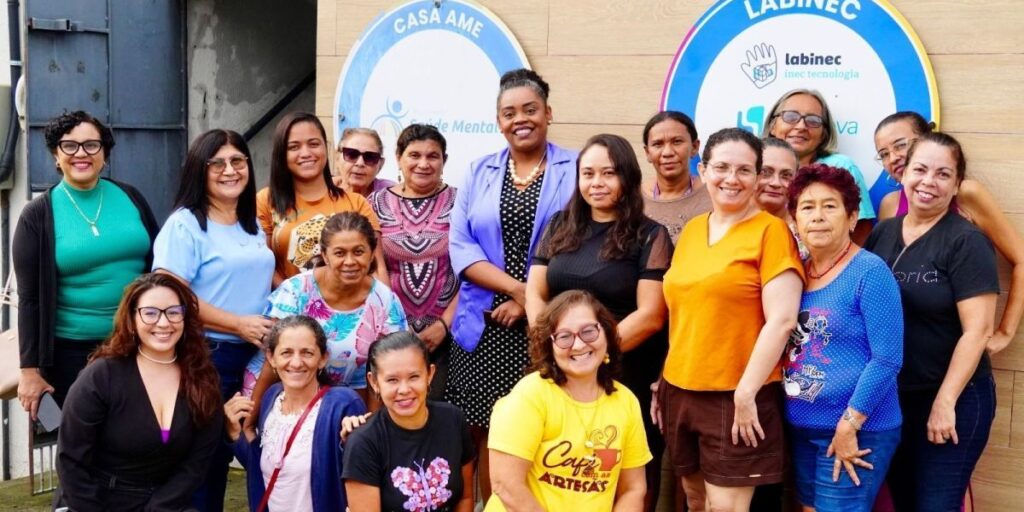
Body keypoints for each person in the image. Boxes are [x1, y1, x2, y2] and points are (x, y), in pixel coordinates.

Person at [656, 128, 804, 511]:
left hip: (737, 393)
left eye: (744, 170)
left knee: (727, 507)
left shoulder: (771, 232)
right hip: (681, 388)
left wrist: (745, 392)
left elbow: (783, 320)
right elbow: (686, 312)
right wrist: (664, 380)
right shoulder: (691, 231)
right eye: (721, 167)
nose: (731, 179)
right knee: (693, 498)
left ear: (756, 177)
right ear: (703, 170)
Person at [447, 67, 577, 500]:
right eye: (509, 112)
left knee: (531, 431)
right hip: (482, 325)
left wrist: (531, 300)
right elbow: (461, 246)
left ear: (548, 113)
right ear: (498, 120)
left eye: (530, 109)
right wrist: (518, 289)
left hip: (544, 327)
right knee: (480, 430)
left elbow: (576, 244)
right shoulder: (479, 169)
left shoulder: (575, 168)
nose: (520, 119)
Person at [525, 133, 672, 510]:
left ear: (627, 178)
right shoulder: (559, 225)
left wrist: (589, 352)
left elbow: (651, 315)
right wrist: (557, 350)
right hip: (559, 370)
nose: (597, 182)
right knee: (563, 467)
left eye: (608, 173)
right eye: (587, 173)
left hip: (623, 370)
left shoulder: (650, 235)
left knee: (626, 476)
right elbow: (535, 293)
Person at [864, 132, 999, 511]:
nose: (929, 182)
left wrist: (945, 401)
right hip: (895, 399)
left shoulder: (965, 241)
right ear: (903, 174)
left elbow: (978, 330)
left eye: (943, 174)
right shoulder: (884, 232)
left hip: (954, 399)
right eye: (920, 169)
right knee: (904, 501)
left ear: (957, 185)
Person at [152, 128, 276, 511]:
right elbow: (171, 295)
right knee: (204, 463)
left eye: (238, 161)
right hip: (207, 356)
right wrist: (238, 323)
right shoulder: (185, 224)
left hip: (256, 360)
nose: (229, 170)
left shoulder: (251, 223)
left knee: (252, 452)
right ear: (199, 170)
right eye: (217, 163)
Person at [15, 110, 158, 418]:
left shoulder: (130, 196)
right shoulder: (37, 215)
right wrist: (28, 371)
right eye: (70, 146)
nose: (81, 153)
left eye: (92, 145)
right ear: (56, 154)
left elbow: (159, 265)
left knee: (138, 431)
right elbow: (28, 299)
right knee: (67, 434)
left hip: (137, 342)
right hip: (69, 352)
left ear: (104, 154)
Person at [783, 165, 904, 511]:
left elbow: (887, 359)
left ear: (852, 217)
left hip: (856, 428)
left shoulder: (870, 272)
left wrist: (850, 424)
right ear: (794, 221)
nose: (817, 217)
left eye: (830, 206)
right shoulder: (796, 272)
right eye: (807, 207)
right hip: (801, 427)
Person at [56, 273, 222, 511]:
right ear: (132, 319)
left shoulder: (204, 376)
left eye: (173, 312)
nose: (164, 323)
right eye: (150, 313)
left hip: (166, 504)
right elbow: (71, 460)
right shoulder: (101, 376)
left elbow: (197, 462)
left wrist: (161, 505)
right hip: (95, 502)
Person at [874, 111, 1023, 354]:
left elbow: (1021, 259)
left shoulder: (965, 193)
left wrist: (1005, 332)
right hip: (903, 357)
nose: (893, 157)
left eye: (901, 145)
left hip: (954, 351)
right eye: (883, 154)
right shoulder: (889, 206)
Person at [487, 290, 651, 510]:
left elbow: (634, 489)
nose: (578, 345)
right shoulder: (531, 394)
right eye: (564, 337)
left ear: (607, 334)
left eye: (589, 331)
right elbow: (505, 485)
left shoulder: (626, 402)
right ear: (550, 346)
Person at [246, 212, 407, 408]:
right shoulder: (296, 292)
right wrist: (250, 420)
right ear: (324, 255)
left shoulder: (385, 302)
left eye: (358, 252)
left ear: (372, 252)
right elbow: (272, 362)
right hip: (277, 395)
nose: (349, 261)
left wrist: (369, 427)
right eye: (339, 253)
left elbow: (386, 370)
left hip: (343, 405)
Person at [225, 315, 366, 512]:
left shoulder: (343, 405)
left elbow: (363, 476)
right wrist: (234, 432)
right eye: (286, 353)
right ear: (271, 358)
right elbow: (263, 470)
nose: (297, 362)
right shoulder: (271, 398)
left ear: (322, 358)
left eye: (307, 353)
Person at [368, 124, 458, 398]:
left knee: (440, 412)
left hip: (448, 333)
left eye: (433, 156)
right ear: (398, 157)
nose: (423, 163)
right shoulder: (375, 203)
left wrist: (444, 326)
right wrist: (397, 327)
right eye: (414, 155)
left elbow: (473, 268)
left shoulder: (461, 200)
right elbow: (372, 267)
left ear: (444, 161)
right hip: (391, 332)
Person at [343, 331, 475, 512]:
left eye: (414, 377)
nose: (404, 389)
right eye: (392, 380)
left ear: (430, 374)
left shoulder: (453, 419)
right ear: (374, 383)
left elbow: (465, 497)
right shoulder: (363, 442)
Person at [258, 112, 385, 286]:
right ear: (281, 153)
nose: (306, 153)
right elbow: (263, 266)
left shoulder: (356, 203)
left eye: (314, 144)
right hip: (291, 308)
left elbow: (377, 269)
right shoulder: (265, 200)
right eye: (294, 147)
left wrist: (386, 306)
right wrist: (296, 299)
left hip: (350, 308)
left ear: (326, 148)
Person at [763, 88, 875, 244]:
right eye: (790, 117)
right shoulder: (754, 163)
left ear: (824, 133)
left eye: (813, 121)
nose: (801, 126)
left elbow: (861, 231)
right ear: (772, 126)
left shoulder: (840, 167)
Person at [640, 111, 712, 243]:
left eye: (677, 142)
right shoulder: (634, 199)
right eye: (658, 144)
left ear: (694, 147)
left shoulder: (713, 197)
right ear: (647, 153)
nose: (667, 152)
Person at [756, 137, 808, 260]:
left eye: (786, 175)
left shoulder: (808, 230)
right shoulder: (725, 224)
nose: (775, 183)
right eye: (765, 172)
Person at [335, 127, 396, 196]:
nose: (360, 163)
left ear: (381, 164)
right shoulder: (323, 191)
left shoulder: (393, 195)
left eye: (369, 157)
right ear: (337, 158)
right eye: (352, 154)